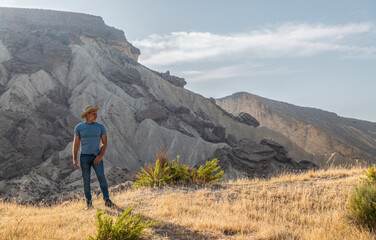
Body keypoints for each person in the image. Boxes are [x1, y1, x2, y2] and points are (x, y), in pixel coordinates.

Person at [72, 105, 115, 210]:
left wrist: (100, 156)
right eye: (94, 114)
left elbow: (105, 143)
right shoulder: (79, 127)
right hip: (84, 158)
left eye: (96, 113)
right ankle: (89, 203)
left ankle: (107, 200)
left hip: (96, 157)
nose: (96, 116)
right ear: (88, 115)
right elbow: (76, 144)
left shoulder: (101, 127)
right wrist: (74, 158)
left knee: (101, 177)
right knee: (86, 180)